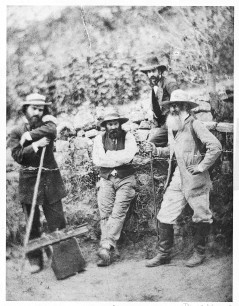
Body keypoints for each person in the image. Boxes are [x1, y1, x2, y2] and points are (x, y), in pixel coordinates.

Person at [144, 89, 222, 268]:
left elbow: (215, 146)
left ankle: (199, 252)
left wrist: (202, 166)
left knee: (201, 216)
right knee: (165, 213)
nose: (172, 109)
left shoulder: (195, 124)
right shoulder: (174, 126)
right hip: (178, 177)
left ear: (186, 106)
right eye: (171, 105)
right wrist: (156, 151)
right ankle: (164, 254)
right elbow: (174, 153)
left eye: (176, 105)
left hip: (196, 179)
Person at [9, 93, 67, 273]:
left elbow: (52, 130)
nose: (37, 112)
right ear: (25, 109)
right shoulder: (16, 131)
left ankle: (64, 257)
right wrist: (35, 145)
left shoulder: (47, 125)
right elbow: (17, 155)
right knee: (32, 223)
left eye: (40, 109)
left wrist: (31, 135)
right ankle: (35, 259)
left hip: (50, 179)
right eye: (33, 108)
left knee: (57, 220)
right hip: (28, 180)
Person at [92, 111, 138, 266]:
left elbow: (128, 156)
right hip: (106, 179)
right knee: (105, 213)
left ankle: (105, 247)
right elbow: (97, 160)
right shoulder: (99, 139)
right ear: (105, 126)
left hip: (125, 179)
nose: (113, 127)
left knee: (118, 212)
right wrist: (117, 158)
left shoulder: (128, 137)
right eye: (109, 124)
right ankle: (110, 251)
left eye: (115, 123)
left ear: (119, 124)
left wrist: (109, 157)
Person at [140, 56, 179, 147]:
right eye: (149, 72)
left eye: (153, 71)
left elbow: (180, 103)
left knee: (151, 144)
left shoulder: (169, 83)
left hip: (173, 120)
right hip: (163, 122)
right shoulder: (154, 86)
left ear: (160, 71)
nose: (151, 75)